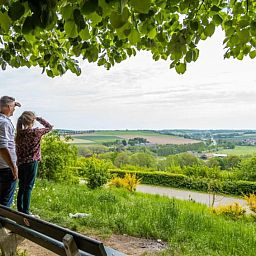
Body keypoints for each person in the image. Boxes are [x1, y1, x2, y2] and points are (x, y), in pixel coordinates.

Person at [16, 111, 53, 214]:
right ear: (32, 120)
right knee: (28, 186)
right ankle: (26, 211)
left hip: (20, 164)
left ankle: (20, 210)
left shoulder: (19, 134)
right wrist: (38, 118)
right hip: (32, 163)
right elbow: (49, 127)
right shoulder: (36, 132)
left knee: (22, 186)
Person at [0, 96, 21, 207]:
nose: (14, 109)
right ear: (8, 107)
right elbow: (2, 147)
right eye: (13, 107)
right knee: (4, 203)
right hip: (5, 168)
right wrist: (13, 167)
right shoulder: (4, 123)